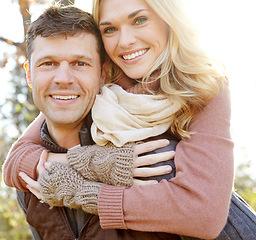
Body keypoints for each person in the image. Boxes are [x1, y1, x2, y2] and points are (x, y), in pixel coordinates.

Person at [3, 0, 256, 239]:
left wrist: (85, 193)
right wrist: (92, 163)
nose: (125, 42)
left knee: (159, 159)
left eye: (139, 20)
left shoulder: (202, 87)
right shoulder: (104, 83)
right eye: (110, 28)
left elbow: (205, 214)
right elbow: (17, 161)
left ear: (167, 20)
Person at [3, 5, 179, 240]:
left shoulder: (151, 159)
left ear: (102, 74)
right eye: (48, 63)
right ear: (29, 75)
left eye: (80, 64)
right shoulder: (30, 178)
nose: (63, 79)